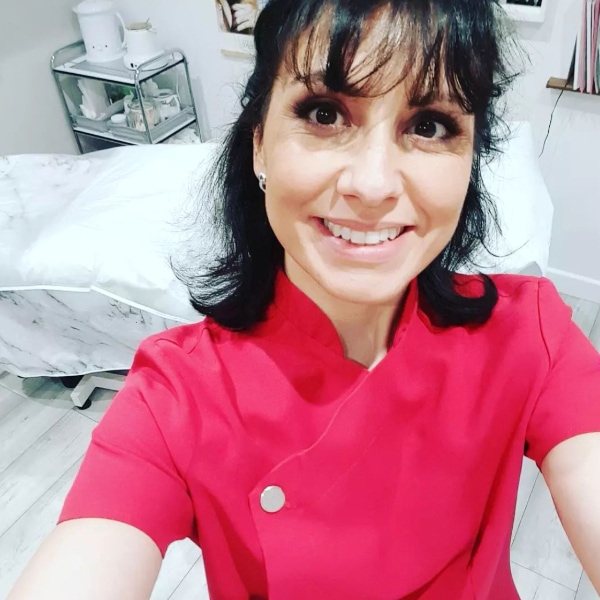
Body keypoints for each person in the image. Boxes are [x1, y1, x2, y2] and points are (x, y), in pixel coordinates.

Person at [8, 0, 600, 598]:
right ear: (260, 145)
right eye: (324, 113)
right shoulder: (177, 396)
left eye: (428, 126)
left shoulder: (530, 336)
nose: (372, 185)